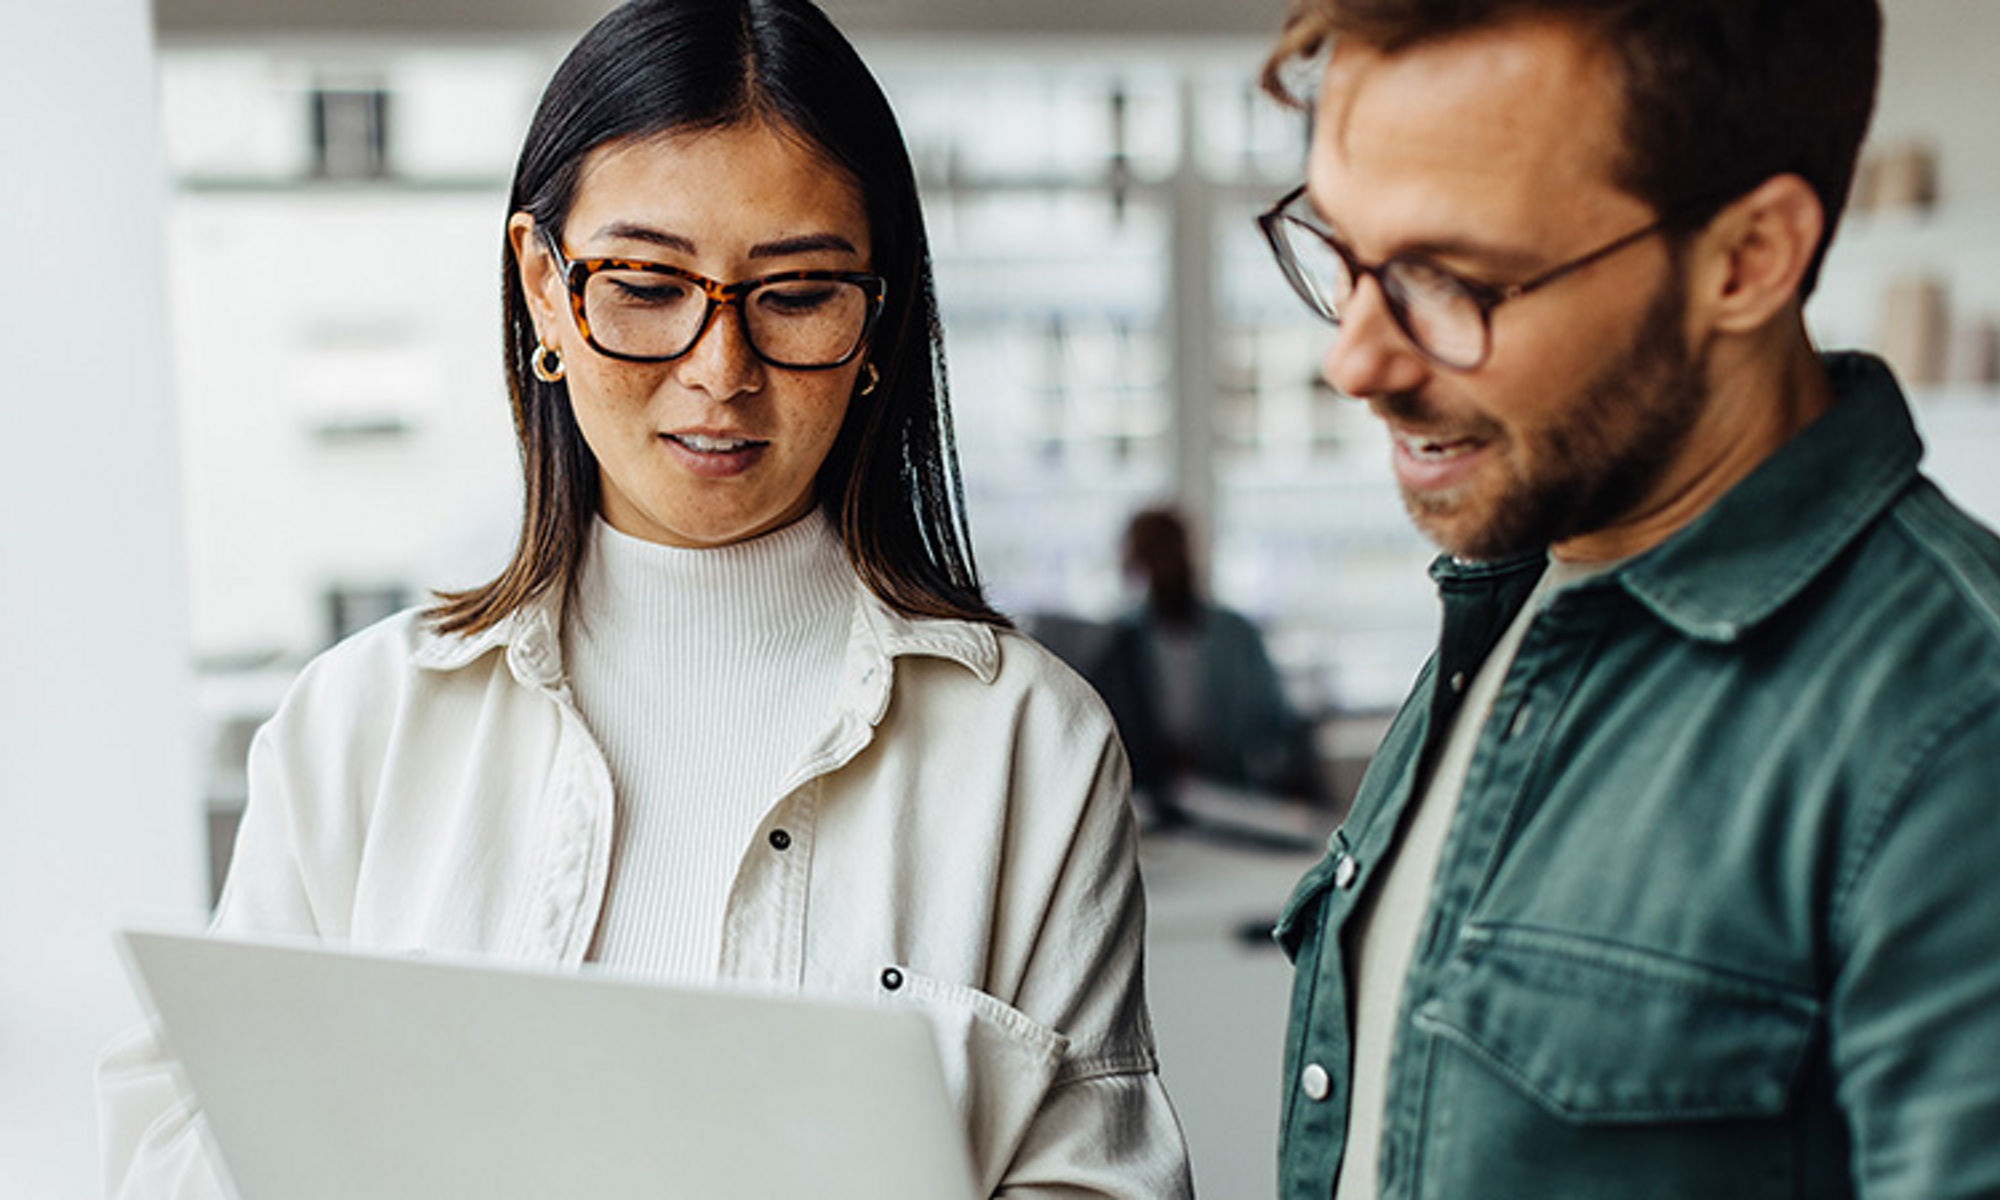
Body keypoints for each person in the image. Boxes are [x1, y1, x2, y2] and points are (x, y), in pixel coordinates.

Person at [97, 3, 1192, 1196]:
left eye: (797, 294)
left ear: (878, 320)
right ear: (545, 291)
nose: (719, 372)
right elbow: (178, 1153)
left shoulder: (1030, 748)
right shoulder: (355, 726)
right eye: (646, 283)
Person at [1254, 1, 2000, 1197]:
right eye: (1338, 251)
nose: (1355, 359)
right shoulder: (1511, 594)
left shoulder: (1957, 727)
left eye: (1450, 280)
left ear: (1746, 259)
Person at [1092, 506, 1318, 825]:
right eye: (1152, 558)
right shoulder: (1121, 642)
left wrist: (1279, 781)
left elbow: (1278, 725)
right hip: (1152, 808)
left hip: (1234, 799)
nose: (1163, 569)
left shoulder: (1237, 636)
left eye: (1169, 554)